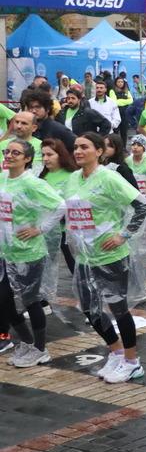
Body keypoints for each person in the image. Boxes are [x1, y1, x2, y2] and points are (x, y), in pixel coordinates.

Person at [63, 132, 146, 383]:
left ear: (99, 151)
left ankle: (133, 362)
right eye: (76, 147)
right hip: (84, 257)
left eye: (84, 147)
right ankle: (116, 352)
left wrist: (124, 235)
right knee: (89, 307)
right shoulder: (72, 179)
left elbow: (143, 205)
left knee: (119, 309)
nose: (78, 151)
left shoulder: (109, 177)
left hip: (111, 256)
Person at [0, 139, 64, 367]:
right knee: (4, 301)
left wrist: (39, 229)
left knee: (30, 301)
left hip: (29, 253)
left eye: (15, 153)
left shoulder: (32, 183)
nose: (8, 156)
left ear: (27, 159)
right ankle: (26, 342)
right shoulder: (3, 178)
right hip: (6, 252)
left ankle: (40, 349)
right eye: (6, 152)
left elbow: (59, 206)